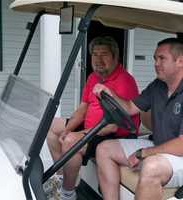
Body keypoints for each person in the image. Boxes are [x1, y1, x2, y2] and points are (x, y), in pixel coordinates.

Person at [47, 36, 140, 200]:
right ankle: (61, 178)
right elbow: (83, 108)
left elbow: (112, 126)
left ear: (115, 57)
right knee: (52, 126)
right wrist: (68, 129)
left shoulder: (125, 81)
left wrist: (78, 134)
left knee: (70, 142)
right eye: (94, 55)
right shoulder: (93, 78)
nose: (98, 59)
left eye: (104, 54)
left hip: (115, 134)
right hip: (93, 127)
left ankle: (67, 193)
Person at [93, 37, 183, 200]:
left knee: (151, 167)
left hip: (180, 156)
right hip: (159, 144)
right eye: (155, 59)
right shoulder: (158, 85)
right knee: (103, 149)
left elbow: (181, 144)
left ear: (180, 61)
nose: (156, 63)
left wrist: (146, 153)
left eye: (162, 58)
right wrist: (109, 93)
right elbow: (129, 107)